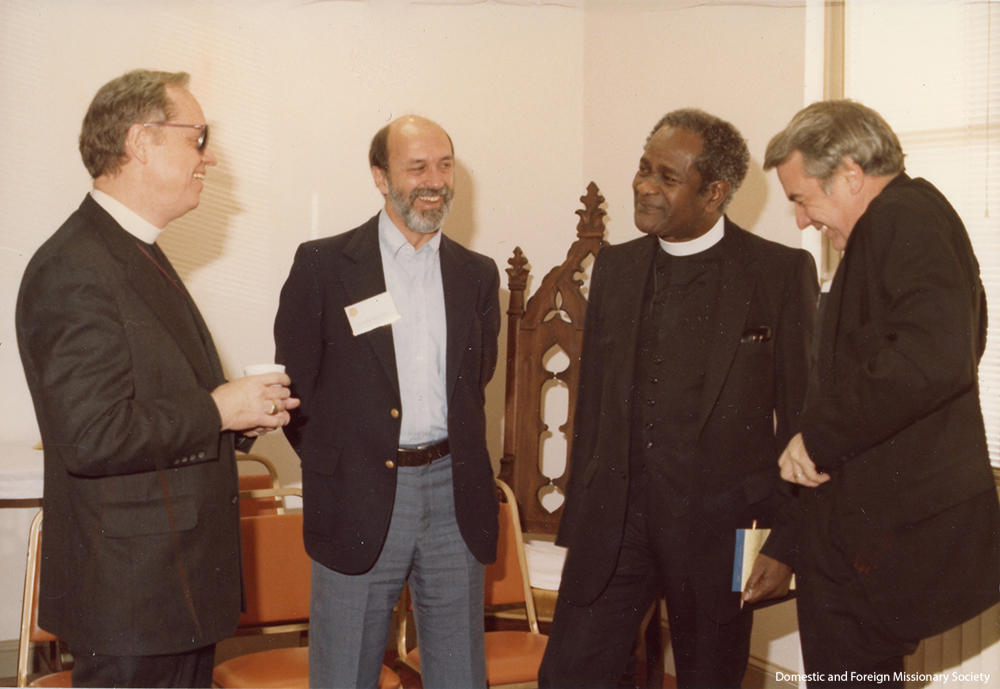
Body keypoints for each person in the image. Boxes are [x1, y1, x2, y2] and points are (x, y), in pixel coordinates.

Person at [15, 69, 298, 688]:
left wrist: (242, 414)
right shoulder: (75, 267)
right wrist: (219, 410)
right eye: (198, 138)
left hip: (167, 591)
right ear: (141, 142)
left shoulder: (132, 249)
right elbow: (91, 435)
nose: (209, 157)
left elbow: (158, 402)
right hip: (132, 600)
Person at [538, 108, 818, 689]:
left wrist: (785, 545)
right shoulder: (615, 267)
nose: (644, 186)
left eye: (667, 177)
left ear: (715, 192)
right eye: (644, 168)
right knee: (568, 676)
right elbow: (593, 408)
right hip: (615, 528)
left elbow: (802, 422)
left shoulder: (779, 273)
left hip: (719, 533)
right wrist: (580, 523)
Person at [757, 99, 1000, 688]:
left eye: (801, 199)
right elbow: (956, 341)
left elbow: (933, 356)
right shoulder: (908, 217)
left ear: (850, 174)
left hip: (875, 541)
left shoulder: (903, 218)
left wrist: (818, 438)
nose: (802, 221)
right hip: (866, 532)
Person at [274, 114, 501, 689]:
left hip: (454, 493)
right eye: (417, 167)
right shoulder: (324, 265)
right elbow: (296, 391)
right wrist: (345, 463)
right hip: (360, 494)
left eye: (445, 165)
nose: (435, 181)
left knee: (460, 675)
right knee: (345, 673)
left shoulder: (477, 274)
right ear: (380, 177)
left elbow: (475, 380)